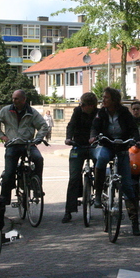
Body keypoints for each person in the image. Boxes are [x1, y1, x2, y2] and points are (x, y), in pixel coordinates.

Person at [89, 87, 140, 236]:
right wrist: (93, 137)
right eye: (103, 97)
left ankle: (134, 221)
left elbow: (133, 129)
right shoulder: (101, 112)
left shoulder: (124, 112)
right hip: (107, 145)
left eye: (106, 97)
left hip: (122, 147)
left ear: (114, 100)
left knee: (127, 186)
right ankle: (98, 194)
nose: (103, 100)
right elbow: (95, 127)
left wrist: (136, 141)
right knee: (102, 158)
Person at [0, 89, 48, 205]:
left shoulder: (32, 112)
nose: (14, 100)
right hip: (12, 144)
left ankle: (37, 188)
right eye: (13, 98)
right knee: (9, 173)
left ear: (24, 99)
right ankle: (4, 201)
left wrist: (37, 139)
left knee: (38, 159)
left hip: (28, 144)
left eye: (16, 98)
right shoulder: (6, 110)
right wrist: (2, 136)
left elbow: (43, 125)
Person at [61, 92, 99, 223]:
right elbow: (71, 125)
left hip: (93, 146)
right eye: (81, 104)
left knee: (100, 168)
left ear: (92, 106)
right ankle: (69, 211)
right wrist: (68, 138)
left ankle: (101, 194)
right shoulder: (77, 111)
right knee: (74, 176)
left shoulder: (99, 113)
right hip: (78, 145)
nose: (81, 106)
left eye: (83, 104)